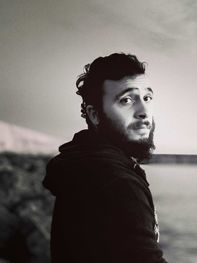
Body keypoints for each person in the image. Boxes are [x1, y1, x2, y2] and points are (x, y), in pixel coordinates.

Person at [43, 53, 167, 262]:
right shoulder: (117, 183)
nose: (144, 111)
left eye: (147, 98)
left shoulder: (82, 164)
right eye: (126, 100)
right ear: (94, 115)